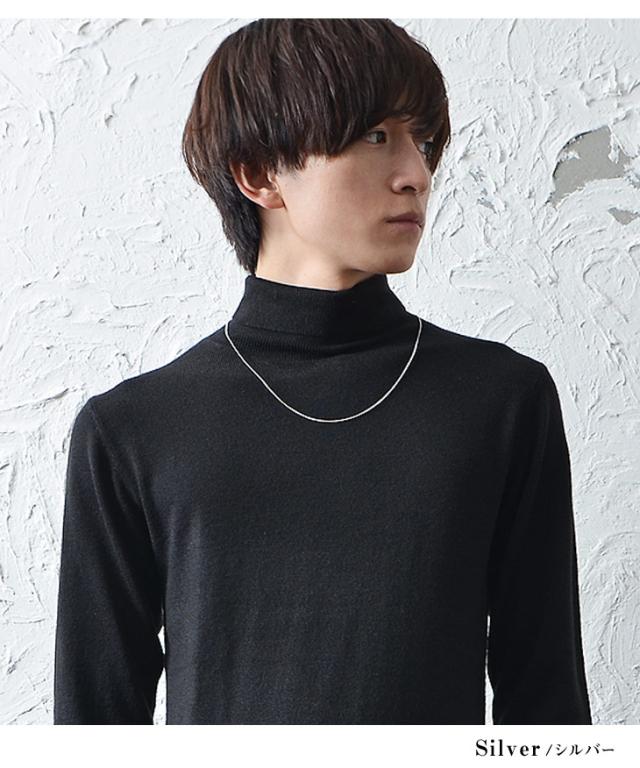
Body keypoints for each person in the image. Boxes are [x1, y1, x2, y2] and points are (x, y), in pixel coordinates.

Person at [53, 18, 592, 725]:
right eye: (376, 136)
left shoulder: (503, 401)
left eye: (424, 142)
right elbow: (92, 727)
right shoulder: (130, 430)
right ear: (258, 173)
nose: (417, 174)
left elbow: (549, 709)